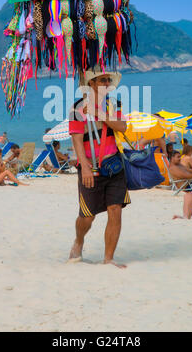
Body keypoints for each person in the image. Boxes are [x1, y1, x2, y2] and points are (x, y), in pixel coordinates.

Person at [68, 67, 129, 268]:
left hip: (114, 166)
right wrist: (84, 167)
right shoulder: (77, 108)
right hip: (90, 167)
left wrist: (99, 113)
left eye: (107, 80)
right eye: (102, 80)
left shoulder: (114, 105)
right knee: (87, 216)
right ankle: (79, 240)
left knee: (115, 210)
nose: (105, 84)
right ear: (91, 83)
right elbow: (77, 140)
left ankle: (108, 258)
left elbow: (122, 127)